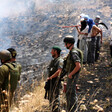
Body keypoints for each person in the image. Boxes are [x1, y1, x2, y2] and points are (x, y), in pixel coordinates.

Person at [63, 35, 82, 112]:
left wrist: (70, 74)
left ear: (70, 43)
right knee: (69, 92)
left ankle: (73, 110)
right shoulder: (72, 51)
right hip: (72, 75)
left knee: (71, 93)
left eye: (66, 43)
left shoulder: (74, 52)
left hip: (73, 76)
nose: (65, 45)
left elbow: (78, 66)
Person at [47, 46, 63, 112]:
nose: (51, 52)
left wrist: (51, 77)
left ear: (55, 52)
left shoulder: (60, 60)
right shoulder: (53, 60)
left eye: (52, 51)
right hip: (51, 82)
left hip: (56, 82)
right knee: (51, 97)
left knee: (56, 97)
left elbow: (59, 71)